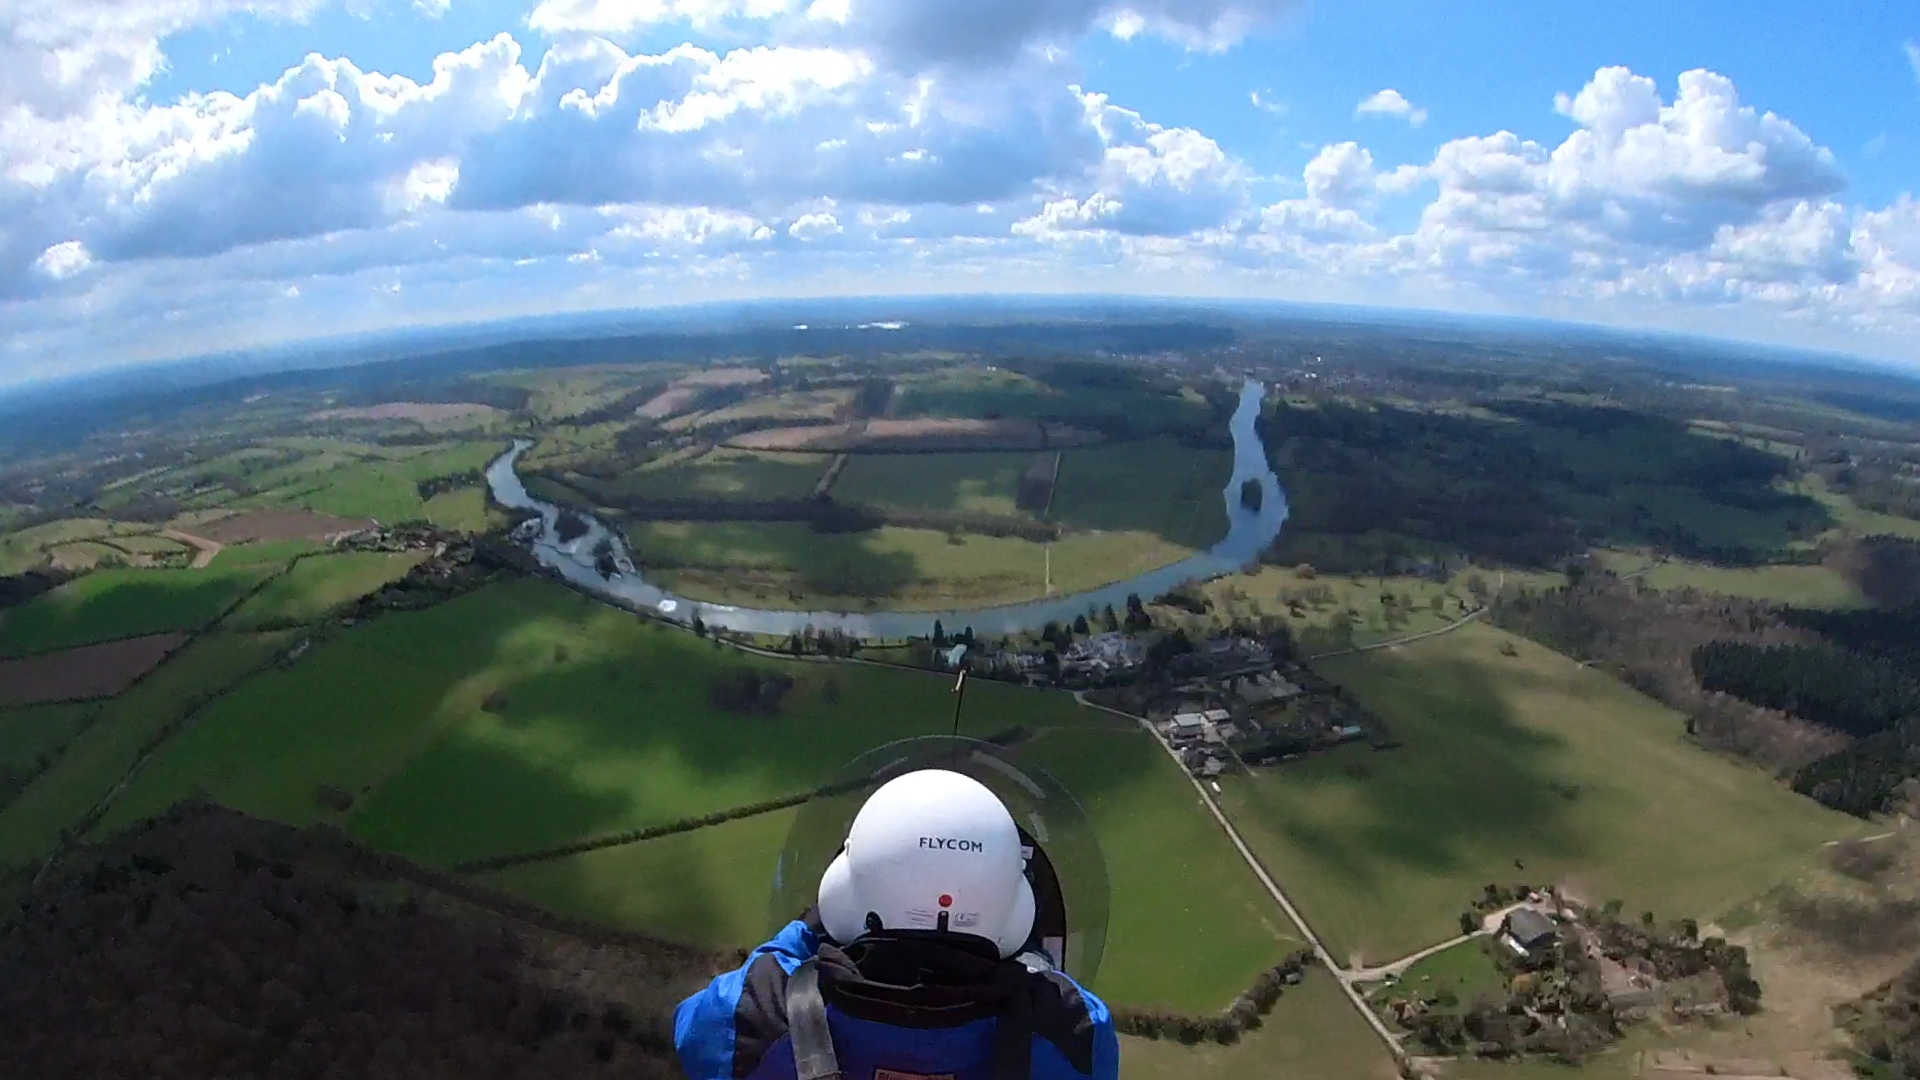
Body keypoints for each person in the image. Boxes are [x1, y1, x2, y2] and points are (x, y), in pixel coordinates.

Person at [675, 769, 1120, 1080]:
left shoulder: (756, 1014)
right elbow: (1052, 984)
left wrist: (809, 926)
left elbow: (692, 1030)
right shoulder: (1075, 1032)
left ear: (844, 888)